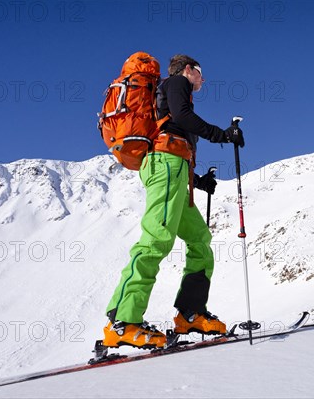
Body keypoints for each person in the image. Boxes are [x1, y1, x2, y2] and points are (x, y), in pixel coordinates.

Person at [102, 54, 245, 349]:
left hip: (177, 168)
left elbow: (173, 130)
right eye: (200, 73)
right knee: (157, 240)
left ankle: (190, 313)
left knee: (199, 239)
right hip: (166, 165)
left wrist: (198, 181)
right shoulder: (177, 82)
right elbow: (181, 117)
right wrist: (223, 135)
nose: (202, 80)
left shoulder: (167, 93)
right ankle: (123, 321)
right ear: (189, 69)